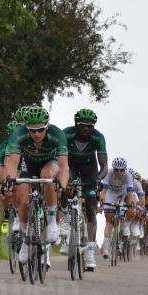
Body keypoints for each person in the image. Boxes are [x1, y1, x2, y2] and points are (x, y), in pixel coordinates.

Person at [3, 105, 69, 266]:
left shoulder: (57, 134)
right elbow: (12, 162)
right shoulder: (19, 134)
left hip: (50, 163)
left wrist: (62, 184)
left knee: (46, 176)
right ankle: (26, 240)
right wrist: (10, 179)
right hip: (29, 164)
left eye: (40, 130)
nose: (36, 134)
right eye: (32, 130)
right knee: (24, 199)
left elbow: (64, 166)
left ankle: (52, 221)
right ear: (27, 128)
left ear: (47, 126)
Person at [62, 108, 108, 271]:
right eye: (83, 125)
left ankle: (89, 250)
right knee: (64, 186)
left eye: (90, 126)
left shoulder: (98, 137)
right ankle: (66, 220)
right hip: (71, 166)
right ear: (76, 124)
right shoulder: (66, 134)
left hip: (90, 168)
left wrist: (98, 179)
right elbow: (58, 157)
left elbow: (104, 166)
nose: (87, 129)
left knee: (90, 207)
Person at [98, 157, 137, 259]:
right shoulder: (108, 174)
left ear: (125, 169)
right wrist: (102, 203)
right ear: (113, 169)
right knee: (109, 219)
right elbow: (104, 192)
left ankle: (126, 226)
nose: (119, 172)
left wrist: (131, 207)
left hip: (123, 192)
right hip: (111, 193)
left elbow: (130, 194)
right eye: (116, 170)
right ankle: (106, 248)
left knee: (130, 209)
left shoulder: (128, 176)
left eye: (122, 170)